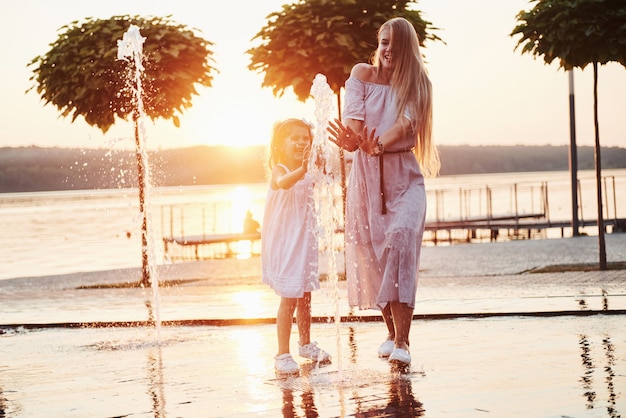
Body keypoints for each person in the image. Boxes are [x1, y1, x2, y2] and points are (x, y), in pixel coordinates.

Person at [327, 17, 440, 367]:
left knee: (401, 241)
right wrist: (351, 138)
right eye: (383, 42)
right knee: (373, 257)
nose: (388, 50)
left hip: (403, 174)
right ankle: (391, 332)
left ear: (408, 47)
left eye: (395, 43)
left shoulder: (419, 83)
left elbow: (407, 124)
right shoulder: (361, 74)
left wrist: (378, 144)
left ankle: (404, 341)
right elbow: (354, 122)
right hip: (365, 176)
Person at [261, 118, 331, 375]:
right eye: (295, 138)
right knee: (289, 297)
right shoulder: (279, 169)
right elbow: (284, 182)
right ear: (281, 145)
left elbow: (324, 180)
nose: (302, 142)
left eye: (306, 138)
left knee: (305, 295)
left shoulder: (307, 169)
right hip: (284, 243)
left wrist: (319, 165)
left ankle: (305, 343)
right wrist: (303, 168)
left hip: (303, 241)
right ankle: (282, 353)